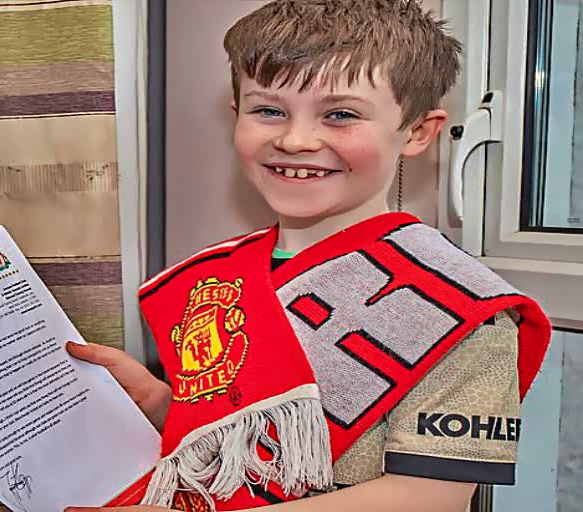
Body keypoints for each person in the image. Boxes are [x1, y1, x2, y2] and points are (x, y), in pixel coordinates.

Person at [65, 1, 551, 511]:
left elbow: (425, 499)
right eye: (268, 110)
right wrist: (156, 402)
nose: (295, 140)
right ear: (236, 117)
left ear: (417, 131)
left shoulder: (461, 308)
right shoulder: (219, 276)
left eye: (340, 114)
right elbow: (240, 447)